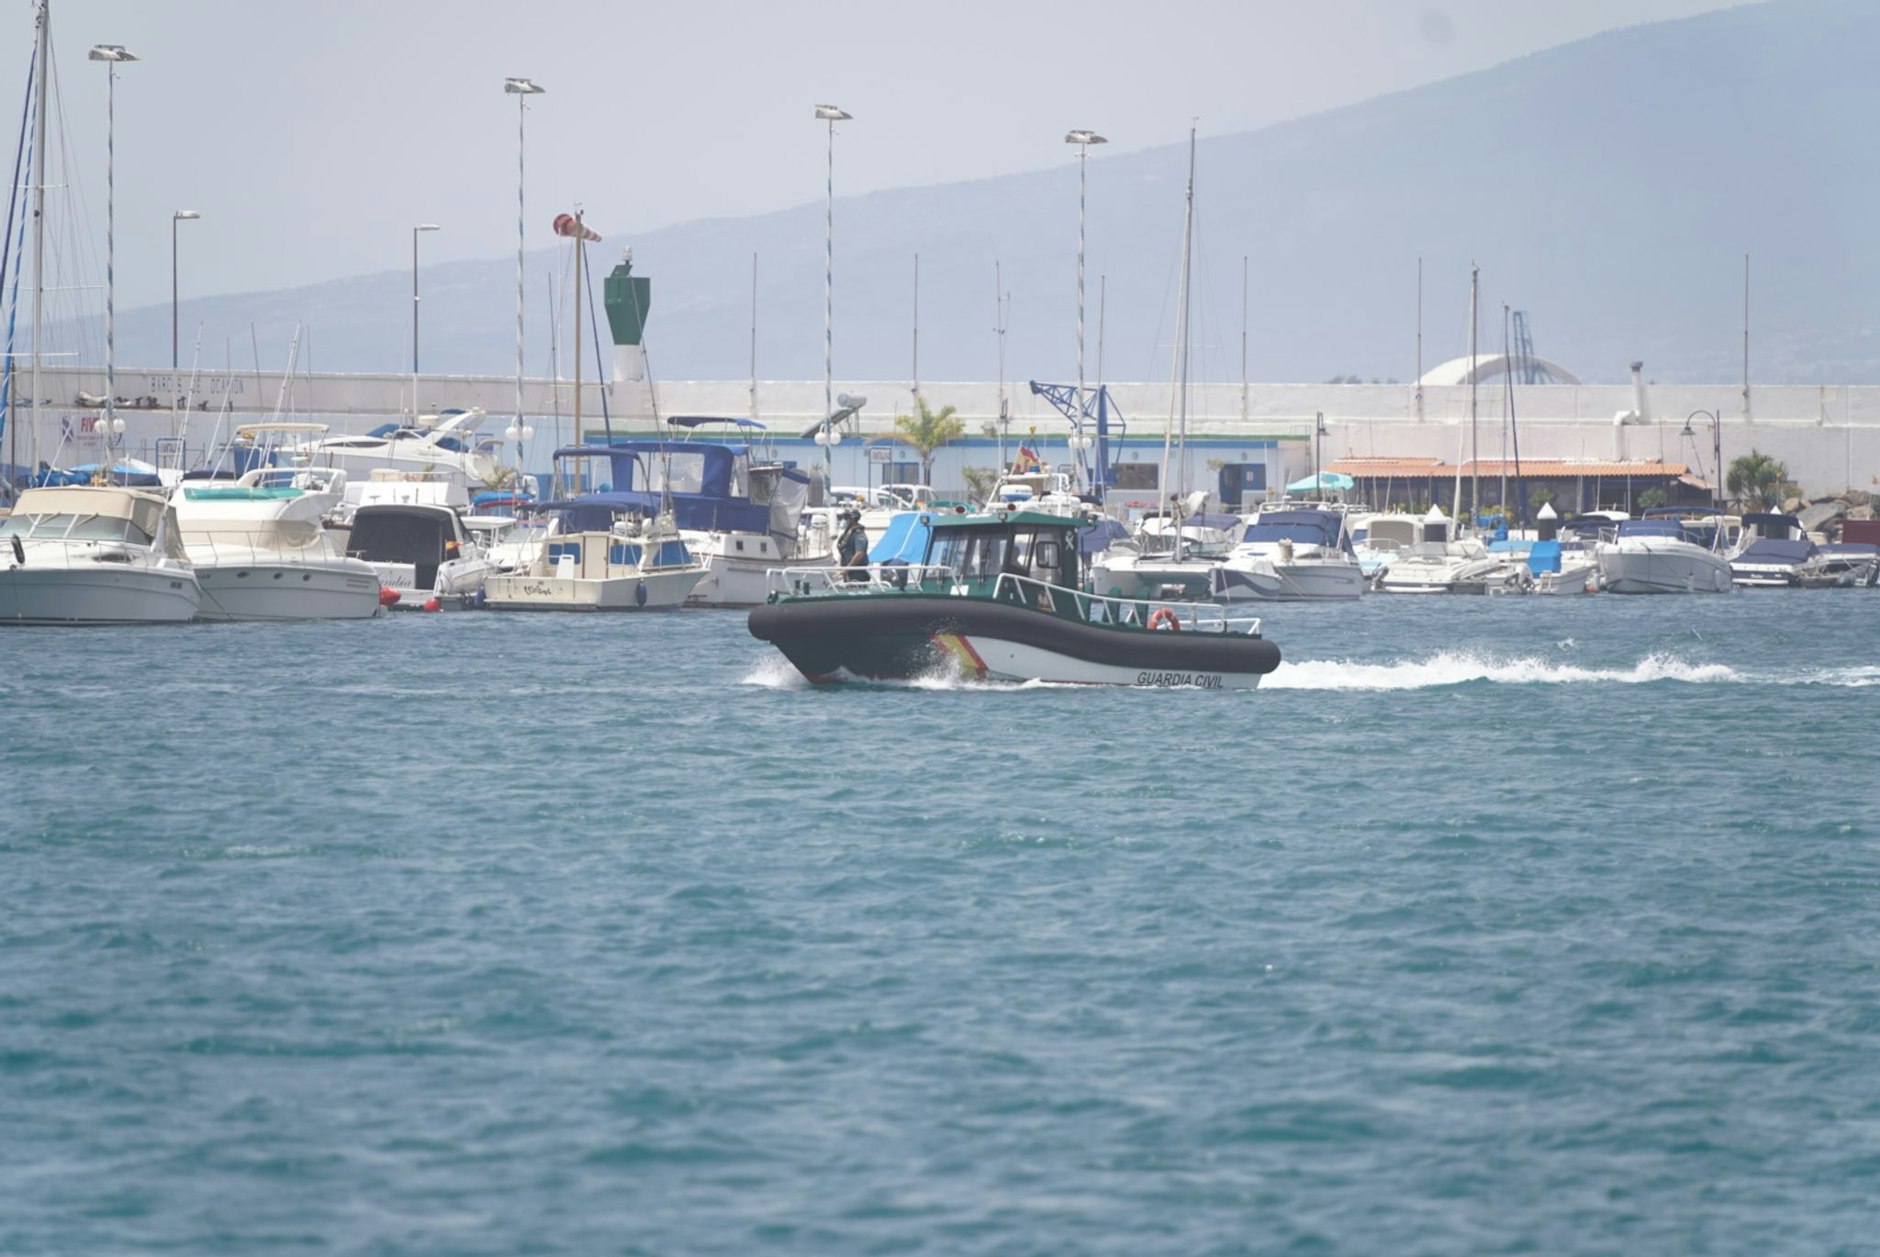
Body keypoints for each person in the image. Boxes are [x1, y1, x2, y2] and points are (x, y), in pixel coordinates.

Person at [837, 509, 869, 581]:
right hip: (849, 572)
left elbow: (859, 554)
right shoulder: (848, 533)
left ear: (852, 520)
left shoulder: (859, 535)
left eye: (846, 518)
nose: (844, 520)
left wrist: (847, 570)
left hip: (857, 574)